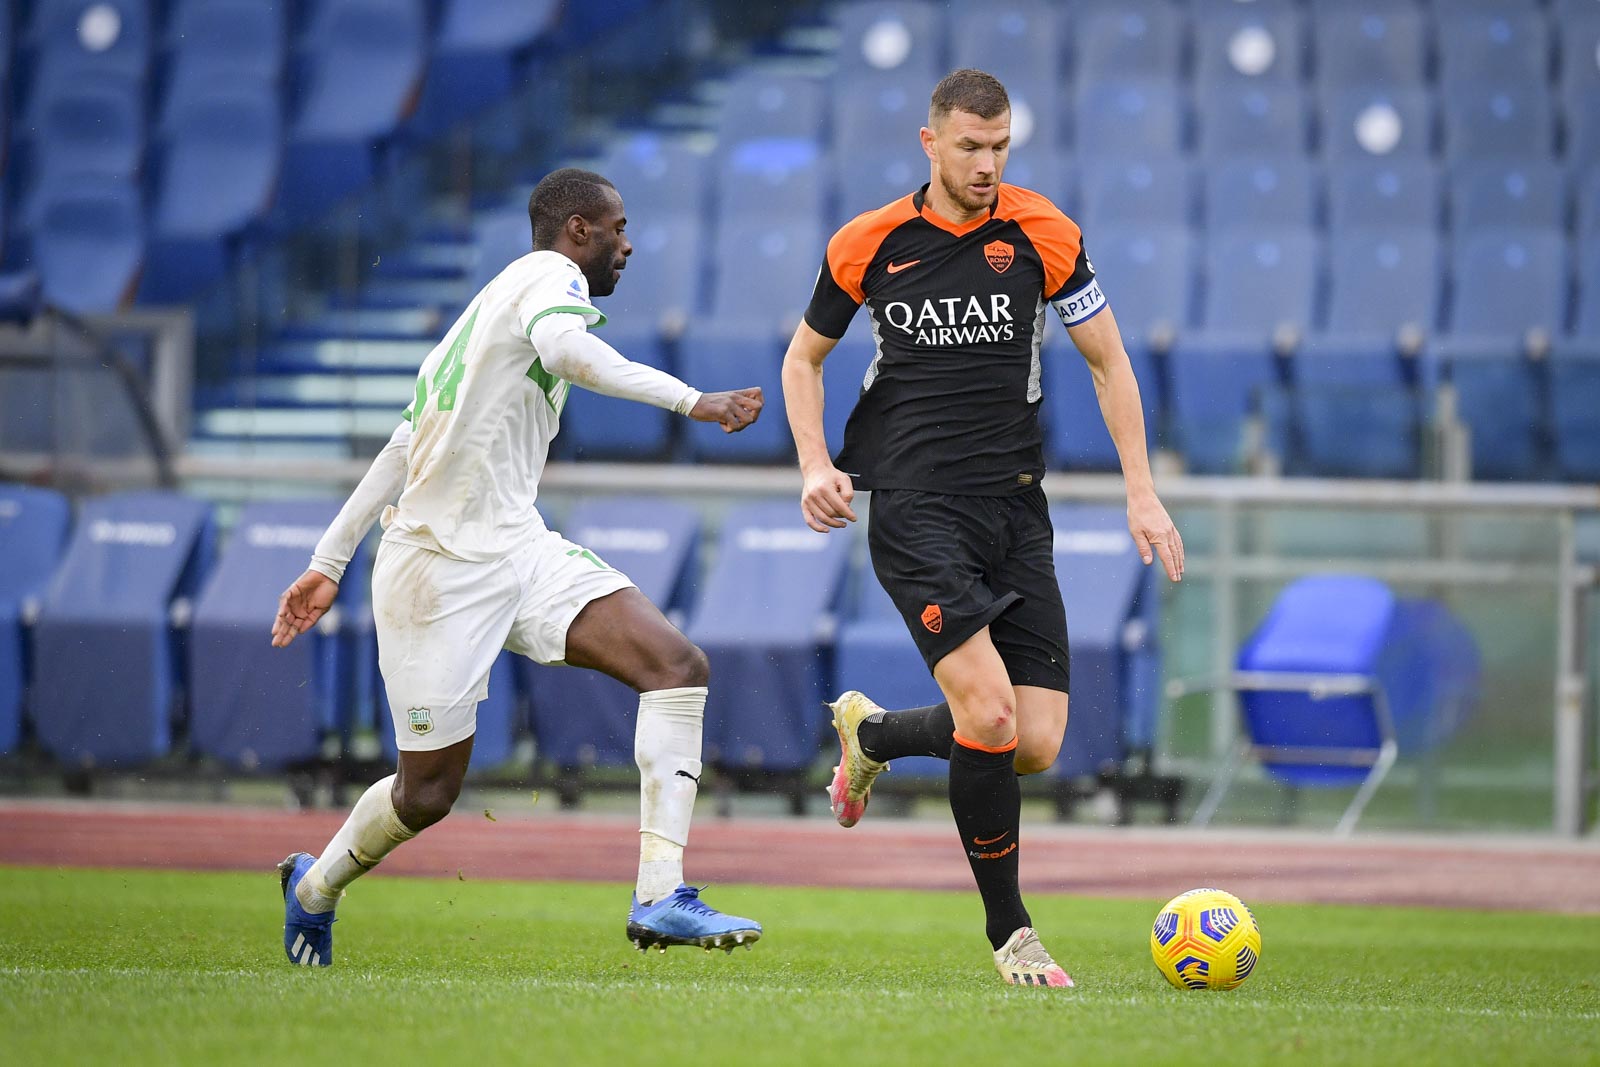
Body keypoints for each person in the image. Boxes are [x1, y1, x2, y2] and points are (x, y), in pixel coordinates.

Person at [270, 168, 766, 966]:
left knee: (676, 666)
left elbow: (406, 441)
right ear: (577, 229)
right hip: (434, 571)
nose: (627, 244)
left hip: (518, 547)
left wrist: (329, 560)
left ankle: (659, 894)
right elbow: (568, 352)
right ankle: (313, 887)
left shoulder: (492, 305)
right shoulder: (549, 278)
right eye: (617, 228)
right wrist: (693, 400)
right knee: (426, 793)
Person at [780, 70, 1185, 988]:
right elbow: (803, 361)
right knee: (991, 713)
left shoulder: (1044, 233)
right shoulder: (868, 242)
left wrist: (1141, 490)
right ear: (930, 143)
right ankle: (1013, 933)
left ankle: (874, 736)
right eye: (970, 146)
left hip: (1015, 508)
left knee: (1034, 740)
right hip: (917, 510)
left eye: (1000, 148)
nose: (987, 165)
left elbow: (1111, 364)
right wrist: (813, 463)